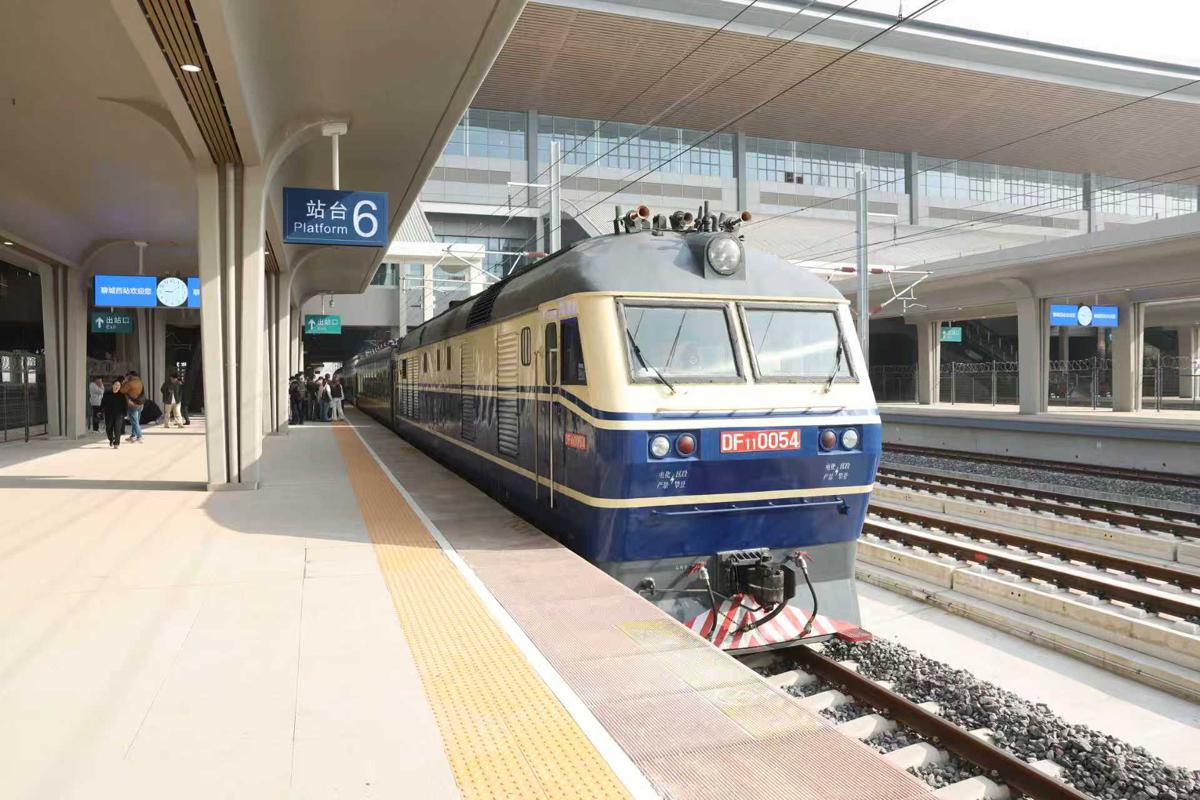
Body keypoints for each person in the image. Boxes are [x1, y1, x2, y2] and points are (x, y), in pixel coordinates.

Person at [101, 378, 126, 448]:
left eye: (119, 385)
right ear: (112, 385)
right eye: (116, 385)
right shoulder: (107, 394)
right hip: (109, 414)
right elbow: (103, 402)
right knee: (108, 428)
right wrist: (100, 410)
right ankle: (111, 439)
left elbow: (125, 405)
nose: (117, 386)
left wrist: (125, 414)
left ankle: (116, 443)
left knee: (117, 429)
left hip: (119, 415)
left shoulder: (122, 395)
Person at [122, 370, 145, 443]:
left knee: (134, 422)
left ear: (130, 376)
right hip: (140, 404)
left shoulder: (129, 383)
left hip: (132, 404)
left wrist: (124, 382)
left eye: (127, 376)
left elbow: (122, 390)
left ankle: (139, 436)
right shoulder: (140, 382)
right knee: (136, 421)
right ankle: (133, 436)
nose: (126, 377)